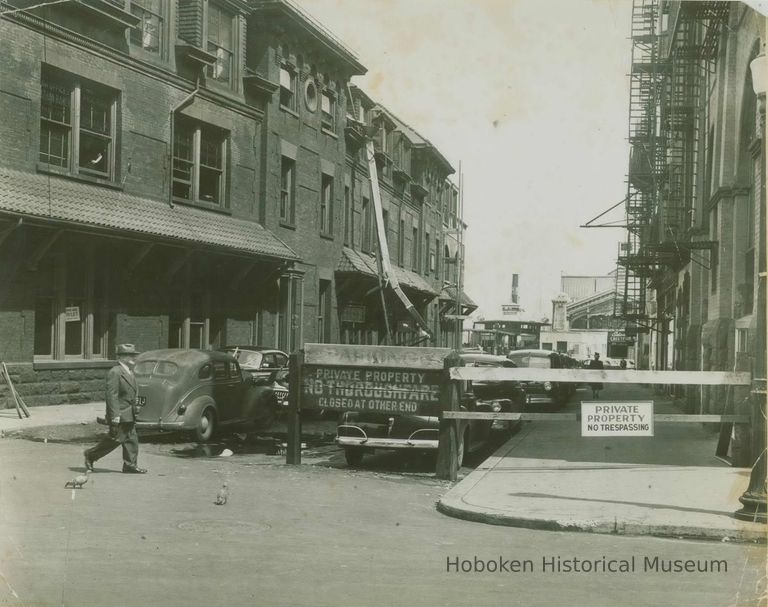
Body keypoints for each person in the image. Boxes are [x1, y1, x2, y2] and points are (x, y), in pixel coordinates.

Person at [84, 344, 147, 474]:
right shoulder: (115, 372)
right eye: (130, 355)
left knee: (131, 439)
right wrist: (115, 416)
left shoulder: (129, 371)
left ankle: (130, 465)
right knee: (116, 439)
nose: (133, 358)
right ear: (121, 357)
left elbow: (132, 392)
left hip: (130, 413)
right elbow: (111, 396)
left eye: (134, 355)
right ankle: (91, 455)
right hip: (121, 413)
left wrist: (137, 406)